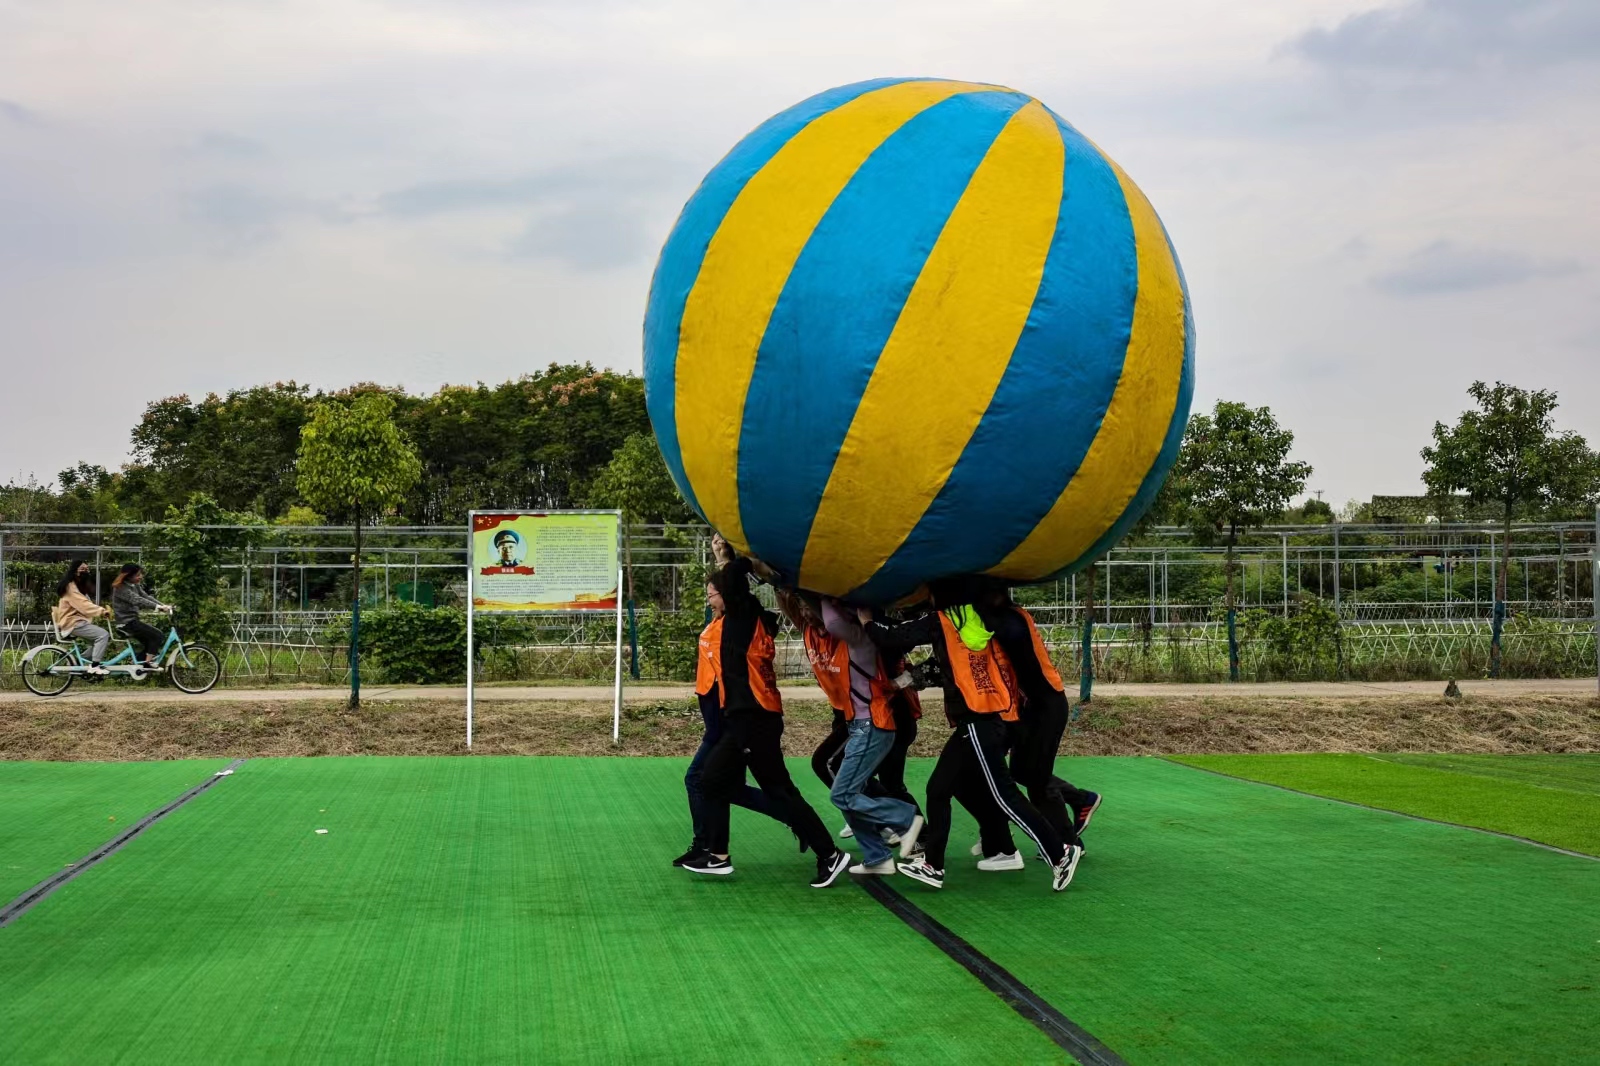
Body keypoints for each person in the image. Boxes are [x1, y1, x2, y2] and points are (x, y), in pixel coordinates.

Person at [863, 577, 1082, 893]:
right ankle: (933, 866)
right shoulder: (977, 618)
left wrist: (867, 621)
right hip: (985, 719)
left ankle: (1060, 853)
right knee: (939, 789)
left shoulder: (943, 619)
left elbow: (896, 636)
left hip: (981, 721)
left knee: (1004, 795)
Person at [683, 547, 850, 888]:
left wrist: (741, 560)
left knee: (755, 788)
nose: (711, 601)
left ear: (731, 595)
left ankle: (826, 854)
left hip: (754, 721)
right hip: (750, 720)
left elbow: (732, 581)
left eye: (713, 595)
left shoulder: (744, 618)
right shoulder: (743, 620)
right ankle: (720, 855)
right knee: (751, 786)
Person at [975, 582, 1101, 851]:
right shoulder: (1005, 616)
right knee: (1021, 772)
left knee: (1037, 781)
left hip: (1048, 706)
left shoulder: (1011, 620)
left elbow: (997, 632)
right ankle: (1080, 801)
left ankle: (1068, 842)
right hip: (1031, 707)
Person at [819, 597, 922, 876]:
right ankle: (878, 857)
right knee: (850, 794)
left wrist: (822, 593)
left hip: (872, 727)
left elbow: (831, 621)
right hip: (864, 726)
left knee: (842, 795)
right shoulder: (855, 639)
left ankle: (905, 818)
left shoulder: (858, 636)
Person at [52, 561, 110, 675]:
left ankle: (76, 661)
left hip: (76, 622)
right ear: (75, 571)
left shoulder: (77, 586)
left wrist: (100, 612)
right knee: (103, 635)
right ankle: (94, 666)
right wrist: (101, 611)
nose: (86, 571)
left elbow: (85, 605)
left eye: (87, 569)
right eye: (83, 569)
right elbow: (83, 605)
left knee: (98, 641)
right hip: (73, 623)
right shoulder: (70, 587)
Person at [110, 565, 173, 666]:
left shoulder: (134, 585)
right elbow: (137, 600)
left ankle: (136, 664)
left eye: (140, 574)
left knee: (150, 643)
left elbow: (145, 596)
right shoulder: (120, 588)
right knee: (158, 636)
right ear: (128, 576)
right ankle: (147, 663)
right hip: (126, 623)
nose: (141, 577)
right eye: (137, 575)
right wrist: (157, 607)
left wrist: (162, 605)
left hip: (132, 621)